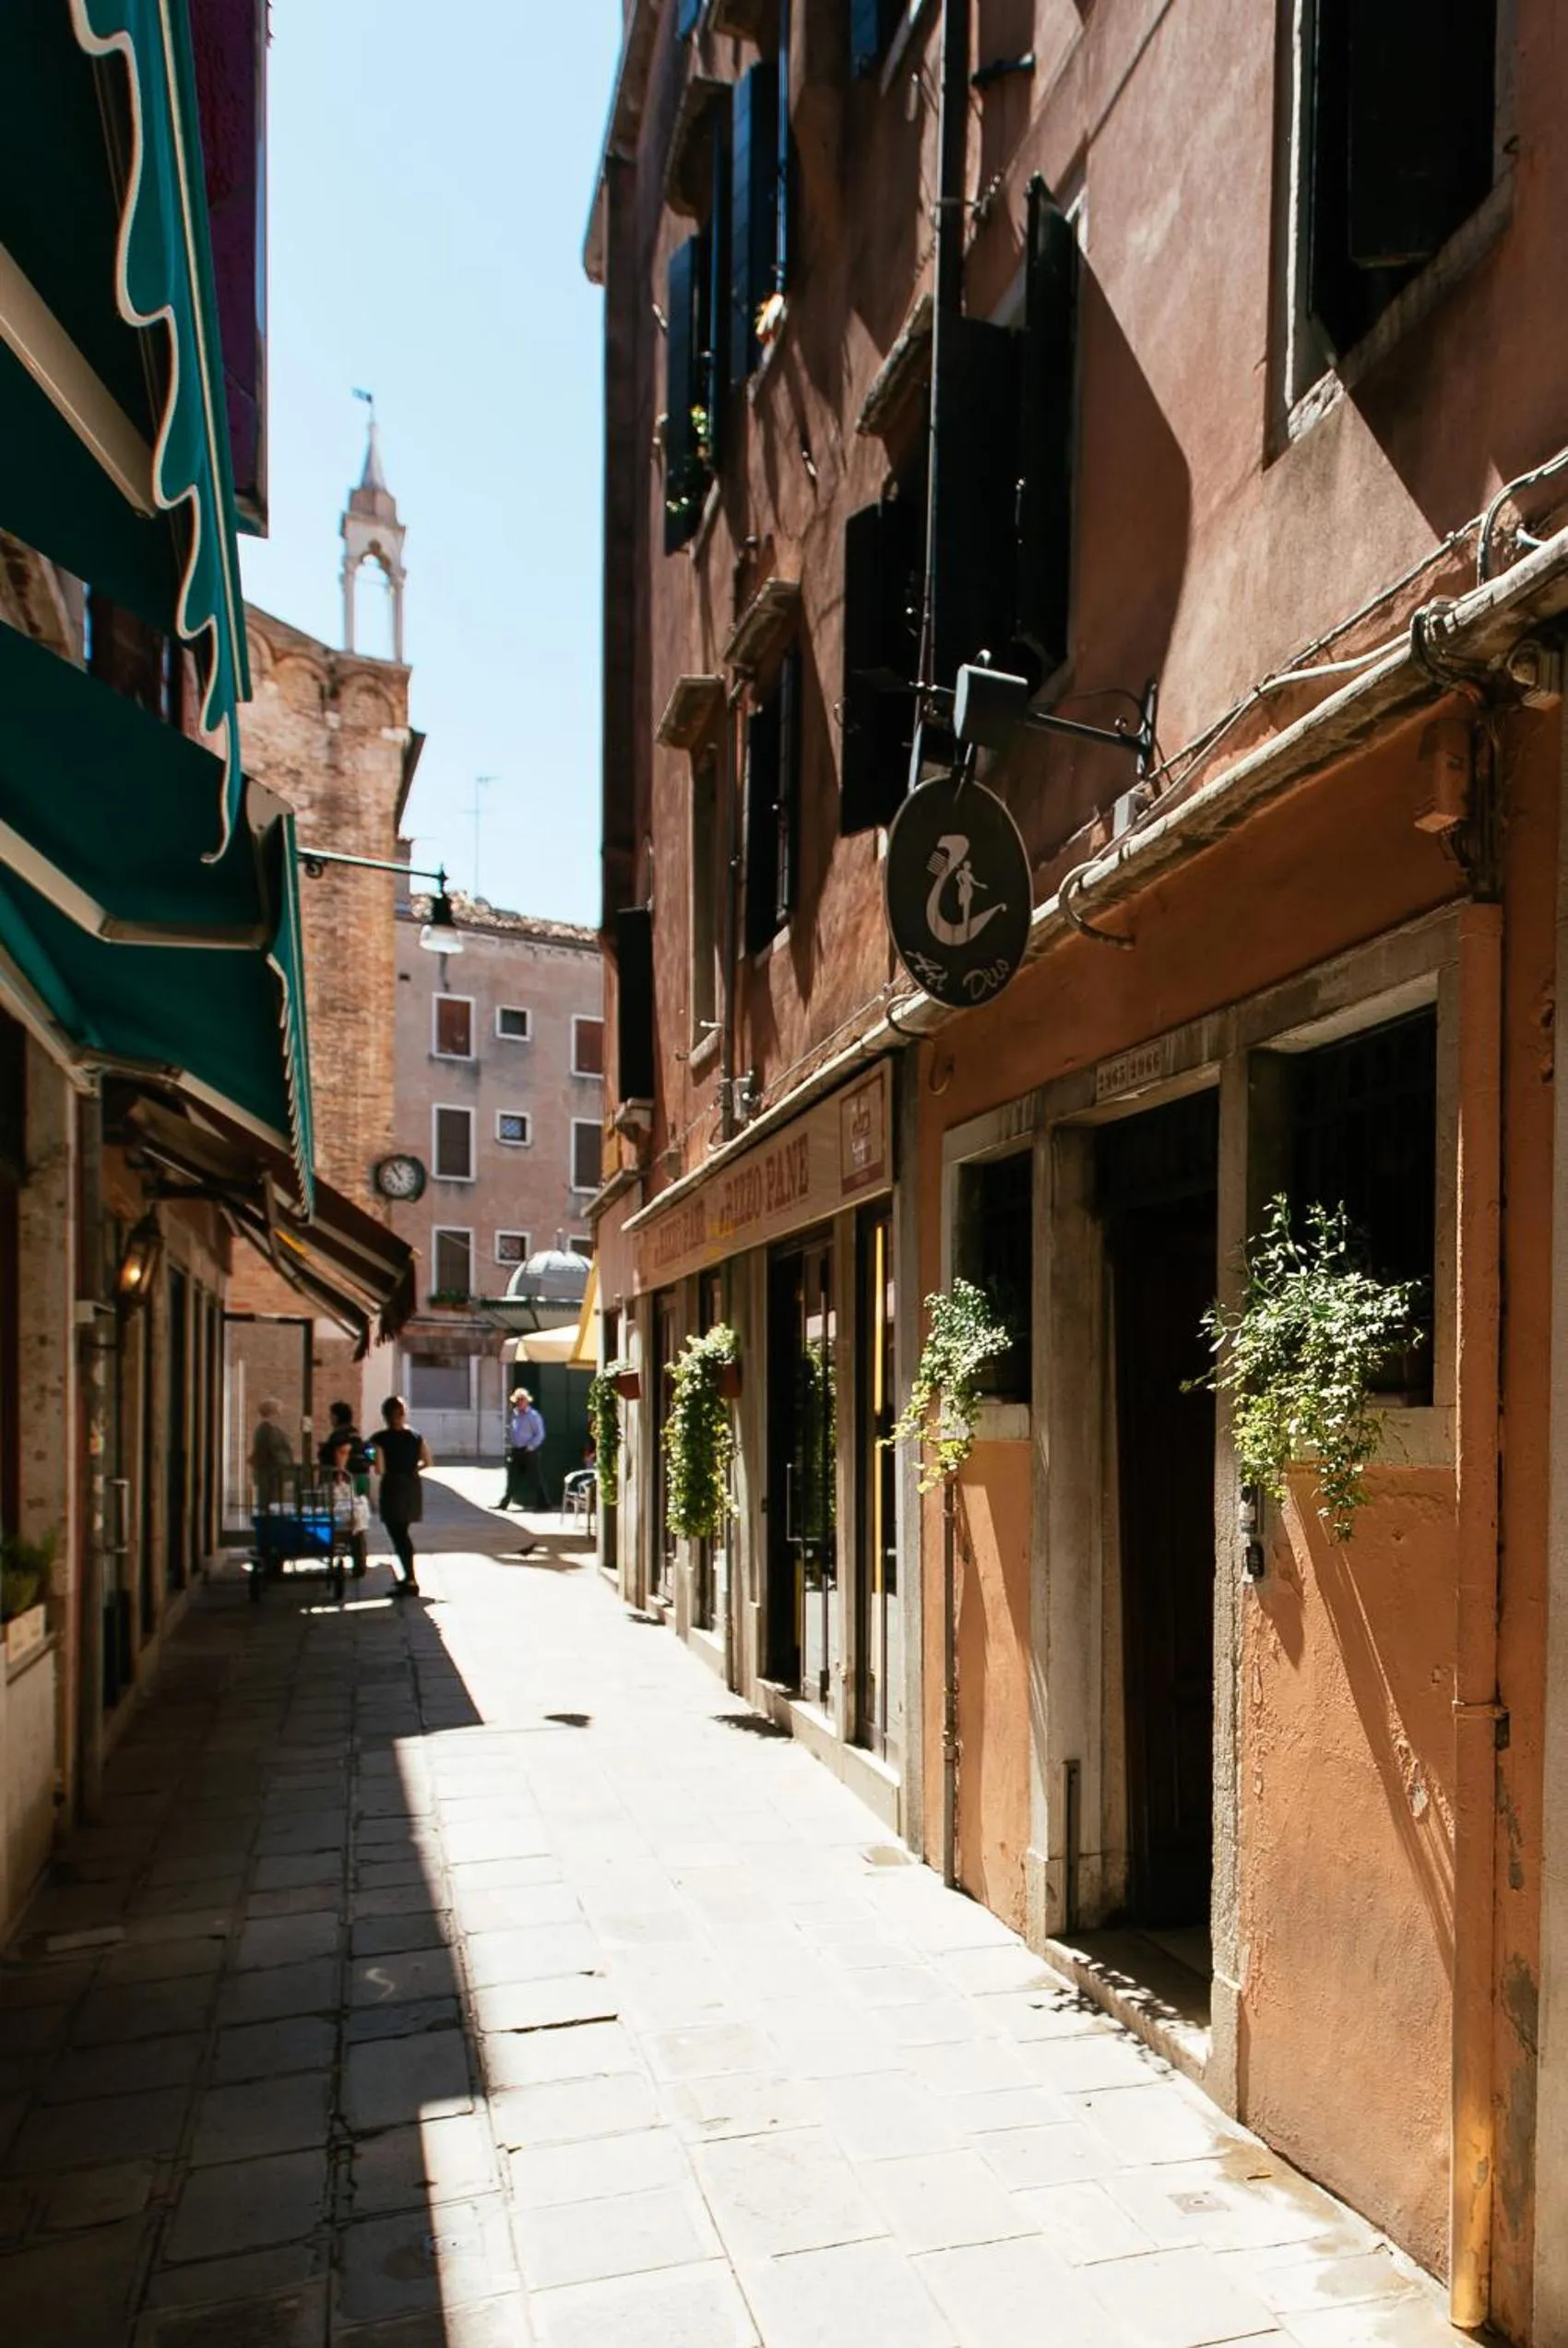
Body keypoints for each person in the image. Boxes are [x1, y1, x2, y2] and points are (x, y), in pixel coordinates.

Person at [367, 1394, 430, 1596]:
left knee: (398, 1535)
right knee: (403, 1533)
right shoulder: (416, 1436)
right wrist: (412, 1469)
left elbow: (379, 1469)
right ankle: (409, 1578)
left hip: (393, 1486)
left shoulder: (379, 1439)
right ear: (404, 1414)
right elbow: (427, 1462)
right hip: (411, 1485)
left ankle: (410, 1580)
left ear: (385, 1415)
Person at [317, 1400, 369, 1579]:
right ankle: (359, 1560)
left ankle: (338, 1547)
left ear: (337, 1417)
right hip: (359, 1479)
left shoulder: (340, 1434)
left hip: (345, 1481)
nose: (329, 1418)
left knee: (343, 1515)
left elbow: (343, 1450)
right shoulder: (355, 1433)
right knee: (356, 1516)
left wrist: (339, 1472)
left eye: (331, 1415)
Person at [496, 1387, 548, 1511]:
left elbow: (540, 1433)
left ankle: (544, 1504)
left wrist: (531, 1446)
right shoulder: (515, 1415)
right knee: (512, 1477)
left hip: (529, 1451)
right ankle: (504, 1503)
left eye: (522, 1399)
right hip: (516, 1450)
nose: (520, 1402)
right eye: (518, 1400)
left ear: (527, 1401)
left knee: (535, 1478)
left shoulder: (533, 1416)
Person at [250, 1399, 294, 1510]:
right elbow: (274, 1450)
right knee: (269, 1503)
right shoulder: (266, 1429)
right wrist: (286, 1466)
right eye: (279, 1410)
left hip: (274, 1473)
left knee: (274, 1503)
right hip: (270, 1473)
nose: (281, 1413)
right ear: (273, 1412)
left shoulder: (272, 1429)